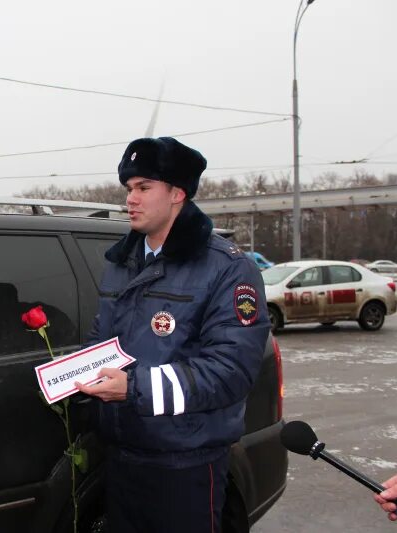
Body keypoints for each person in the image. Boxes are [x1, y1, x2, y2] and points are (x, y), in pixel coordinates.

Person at [75, 137, 270, 532]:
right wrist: (70, 373)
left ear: (177, 193)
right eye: (129, 188)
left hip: (186, 464)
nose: (131, 198)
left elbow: (230, 369)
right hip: (122, 455)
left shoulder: (227, 268)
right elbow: (104, 339)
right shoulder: (120, 263)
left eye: (144, 187)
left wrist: (134, 388)